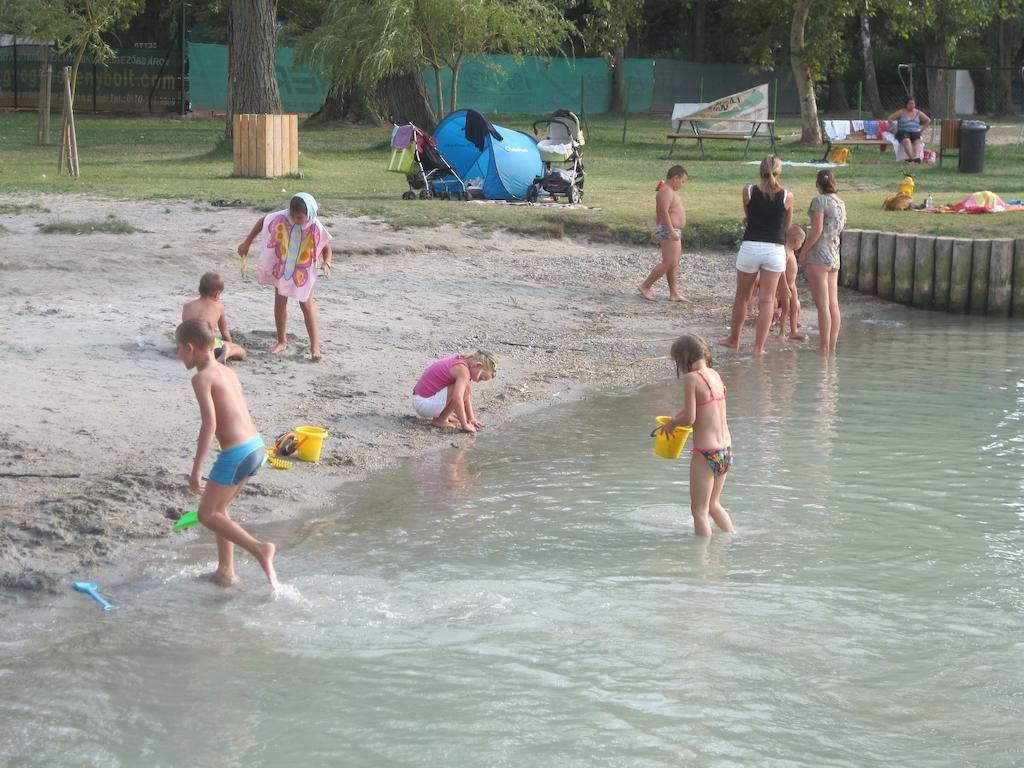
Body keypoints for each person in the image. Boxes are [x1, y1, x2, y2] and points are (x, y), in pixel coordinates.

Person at [175, 319, 278, 588]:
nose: (178, 355)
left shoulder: (201, 377)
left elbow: (209, 423)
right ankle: (225, 572)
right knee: (220, 510)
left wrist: (197, 469)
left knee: (207, 514)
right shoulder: (227, 372)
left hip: (236, 453)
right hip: (256, 447)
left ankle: (259, 549)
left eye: (178, 349)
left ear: (189, 348)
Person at [237, 193, 333, 361]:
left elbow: (326, 247)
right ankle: (282, 341)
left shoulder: (315, 225)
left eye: (299, 217)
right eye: (293, 216)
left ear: (308, 214)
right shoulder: (283, 217)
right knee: (280, 302)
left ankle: (315, 347)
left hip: (303, 269)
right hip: (282, 266)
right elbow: (263, 222)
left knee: (306, 304)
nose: (295, 220)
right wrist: (247, 243)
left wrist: (327, 263)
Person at [658, 334, 735, 537]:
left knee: (699, 511)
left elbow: (691, 418)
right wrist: (678, 416)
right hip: (725, 450)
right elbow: (705, 406)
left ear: (684, 358)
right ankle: (732, 539)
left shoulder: (691, 379)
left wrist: (672, 424)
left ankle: (702, 561)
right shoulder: (714, 375)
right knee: (714, 505)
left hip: (706, 453)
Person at [720, 155, 793, 354]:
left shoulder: (748, 191)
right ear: (779, 171)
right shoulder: (787, 195)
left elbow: (749, 216)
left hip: (751, 245)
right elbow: (786, 225)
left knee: (742, 297)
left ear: (759, 170)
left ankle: (734, 340)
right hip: (774, 249)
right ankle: (758, 348)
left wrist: (751, 221)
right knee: (767, 300)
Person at [800, 169, 847, 353]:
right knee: (833, 304)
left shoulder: (819, 201)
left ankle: (823, 347)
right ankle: (831, 347)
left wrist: (804, 251)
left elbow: (817, 230)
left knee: (822, 305)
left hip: (819, 254)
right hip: (834, 254)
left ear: (817, 185)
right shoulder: (841, 203)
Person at [412, 351, 498, 433]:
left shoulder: (461, 360)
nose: (478, 381)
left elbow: (466, 395)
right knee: (465, 388)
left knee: (465, 387)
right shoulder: (463, 370)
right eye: (481, 377)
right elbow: (458, 398)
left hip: (421, 400)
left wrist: (471, 418)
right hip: (424, 404)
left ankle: (443, 415)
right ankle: (441, 420)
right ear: (478, 365)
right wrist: (464, 424)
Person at [638, 165, 688, 302]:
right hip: (669, 230)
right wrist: (671, 231)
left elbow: (660, 212)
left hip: (670, 229)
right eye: (682, 181)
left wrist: (658, 230)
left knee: (674, 263)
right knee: (669, 262)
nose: (682, 185)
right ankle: (645, 286)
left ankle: (674, 293)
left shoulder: (669, 191)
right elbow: (663, 211)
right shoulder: (666, 191)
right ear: (675, 178)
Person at [181, 272, 247, 364]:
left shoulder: (187, 306)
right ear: (217, 294)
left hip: (187, 349)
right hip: (208, 350)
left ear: (199, 289)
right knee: (241, 351)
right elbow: (224, 331)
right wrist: (230, 343)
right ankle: (226, 353)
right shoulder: (219, 307)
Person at [775, 225, 807, 341]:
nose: (801, 245)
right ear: (795, 241)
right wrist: (783, 287)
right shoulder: (786, 252)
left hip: (792, 284)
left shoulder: (792, 251)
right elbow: (781, 269)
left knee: (794, 307)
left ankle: (794, 331)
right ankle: (782, 332)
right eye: (801, 242)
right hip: (785, 285)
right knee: (786, 309)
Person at [888, 98, 931, 163]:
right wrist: (895, 128)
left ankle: (917, 157)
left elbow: (928, 120)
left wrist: (921, 130)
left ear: (915, 104)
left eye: (913, 103)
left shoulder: (918, 112)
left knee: (918, 141)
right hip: (903, 132)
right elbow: (890, 119)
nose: (911, 105)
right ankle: (912, 158)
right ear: (906, 104)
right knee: (907, 140)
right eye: (909, 103)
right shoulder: (901, 112)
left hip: (914, 132)